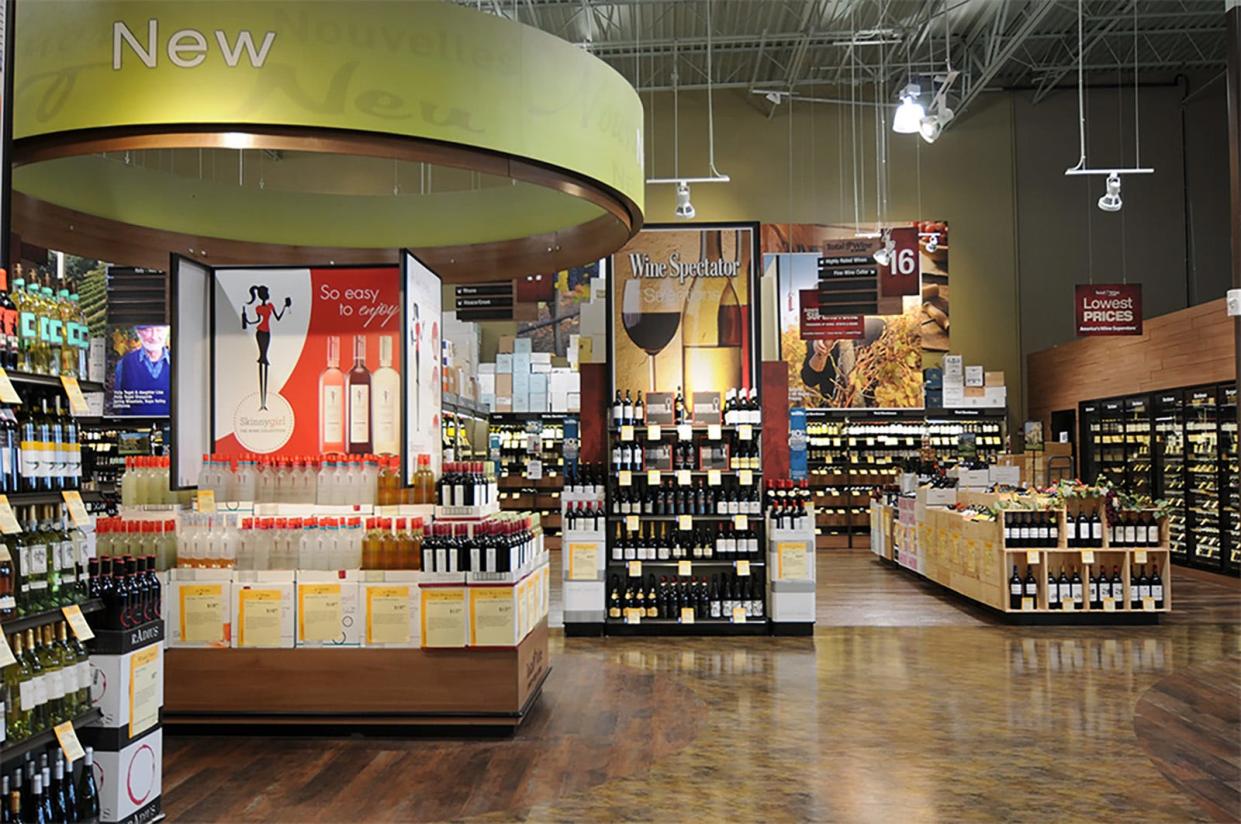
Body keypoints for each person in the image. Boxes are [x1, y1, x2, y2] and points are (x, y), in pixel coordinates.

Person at [240, 285, 292, 411]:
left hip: (266, 333)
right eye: (266, 293)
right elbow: (257, 321)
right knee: (262, 357)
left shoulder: (270, 306)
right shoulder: (259, 308)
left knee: (264, 357)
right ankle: (262, 401)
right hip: (261, 332)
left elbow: (277, 318)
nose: (267, 295)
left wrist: (285, 307)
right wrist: (246, 320)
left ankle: (264, 402)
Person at [113, 325, 170, 416]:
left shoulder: (179, 363)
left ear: (166, 332)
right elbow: (118, 406)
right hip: (132, 428)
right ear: (138, 332)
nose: (154, 336)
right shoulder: (124, 363)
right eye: (147, 330)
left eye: (159, 330)